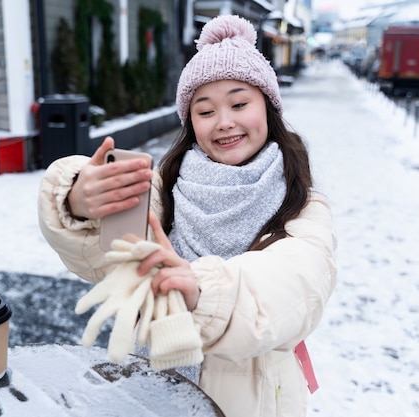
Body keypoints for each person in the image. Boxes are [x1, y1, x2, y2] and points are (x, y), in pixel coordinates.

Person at [38, 14, 337, 417]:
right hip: (156, 389)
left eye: (239, 102)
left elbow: (296, 285)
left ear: (267, 107)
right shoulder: (164, 186)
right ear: (189, 120)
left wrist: (202, 291)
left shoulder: (303, 203)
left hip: (255, 399)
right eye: (205, 110)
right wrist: (80, 200)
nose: (224, 122)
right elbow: (104, 258)